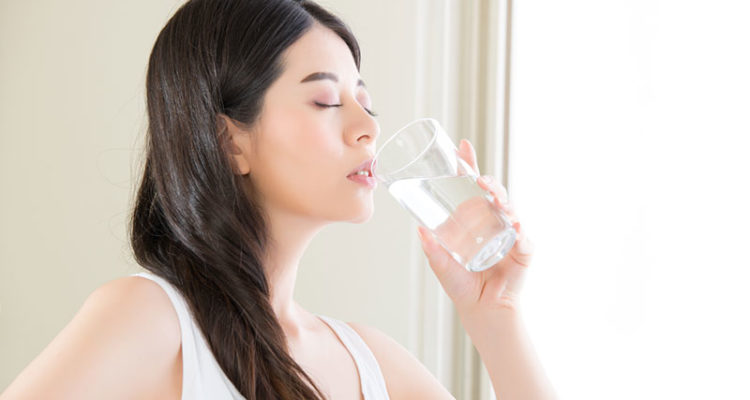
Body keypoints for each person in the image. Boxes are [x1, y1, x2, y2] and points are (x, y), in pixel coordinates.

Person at [0, 0, 556, 399]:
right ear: (229, 140)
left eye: (365, 101)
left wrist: (495, 318)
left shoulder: (372, 362)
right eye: (324, 100)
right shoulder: (151, 320)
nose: (368, 128)